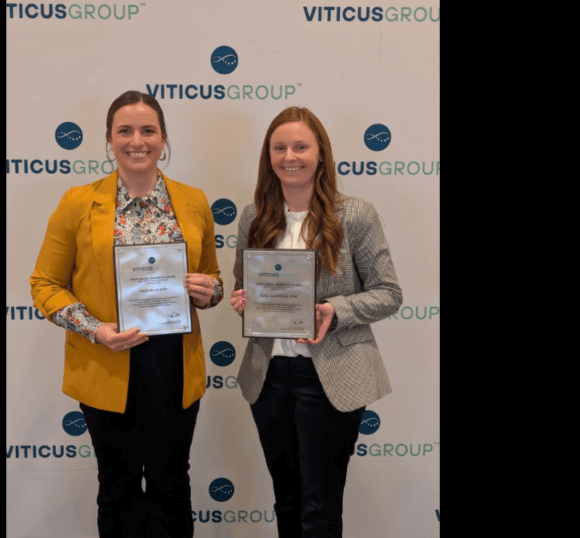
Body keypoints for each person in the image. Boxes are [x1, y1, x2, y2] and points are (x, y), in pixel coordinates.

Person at [30, 90, 224, 538]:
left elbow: (213, 279)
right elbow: (45, 284)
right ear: (110, 140)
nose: (137, 141)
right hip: (107, 361)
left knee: (172, 485)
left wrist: (208, 290)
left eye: (148, 130)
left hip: (174, 365)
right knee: (117, 488)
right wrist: (95, 329)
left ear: (163, 138)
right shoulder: (78, 202)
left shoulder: (193, 200)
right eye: (125, 131)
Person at [229, 107, 403, 537]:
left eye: (301, 147)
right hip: (270, 374)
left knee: (320, 509)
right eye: (279, 148)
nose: (290, 156)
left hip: (330, 375)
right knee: (287, 501)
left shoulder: (356, 215)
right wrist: (244, 301)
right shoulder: (253, 217)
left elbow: (388, 292)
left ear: (321, 153)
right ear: (268, 156)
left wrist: (334, 310)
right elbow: (244, 283)